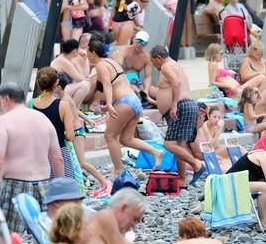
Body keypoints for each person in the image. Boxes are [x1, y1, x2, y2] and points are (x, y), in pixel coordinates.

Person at [0, 83, 64, 232]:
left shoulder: (5, 121)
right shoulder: (43, 119)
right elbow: (57, 158)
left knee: (8, 235)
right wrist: (60, 188)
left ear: (6, 99)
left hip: (15, 184)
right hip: (43, 184)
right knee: (44, 234)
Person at [88, 39, 162, 177]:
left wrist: (109, 104)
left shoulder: (101, 65)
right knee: (126, 139)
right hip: (134, 101)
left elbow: (107, 85)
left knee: (110, 136)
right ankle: (156, 152)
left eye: (88, 51)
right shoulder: (113, 62)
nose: (87, 55)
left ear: (93, 52)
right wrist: (109, 106)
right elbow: (118, 85)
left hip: (125, 102)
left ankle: (118, 170)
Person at [150, 45, 205, 187]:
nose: (153, 65)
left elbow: (176, 83)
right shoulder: (175, 65)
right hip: (187, 105)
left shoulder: (166, 66)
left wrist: (173, 104)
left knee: (169, 144)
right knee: (179, 146)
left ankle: (196, 165)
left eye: (153, 61)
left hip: (180, 107)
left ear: (159, 58)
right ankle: (182, 180)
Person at [56, 73, 112, 198]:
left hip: (76, 132)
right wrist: (88, 119)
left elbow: (70, 116)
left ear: (58, 86)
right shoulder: (66, 97)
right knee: (75, 161)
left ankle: (105, 182)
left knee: (81, 162)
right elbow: (75, 110)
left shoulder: (64, 99)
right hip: (77, 130)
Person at [32, 68, 83, 190]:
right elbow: (70, 136)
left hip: (38, 154)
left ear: (39, 84)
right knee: (63, 191)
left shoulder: (31, 104)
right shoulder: (63, 105)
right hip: (60, 151)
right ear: (56, 83)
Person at [112, 30, 155, 106]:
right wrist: (116, 57)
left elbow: (148, 77)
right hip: (123, 79)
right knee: (133, 86)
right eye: (138, 41)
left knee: (153, 91)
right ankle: (148, 99)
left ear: (146, 44)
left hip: (136, 81)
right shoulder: (125, 50)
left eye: (143, 43)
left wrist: (146, 90)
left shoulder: (146, 57)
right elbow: (117, 67)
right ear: (134, 39)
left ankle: (147, 97)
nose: (139, 44)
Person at [50, 39, 90, 109]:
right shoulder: (63, 61)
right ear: (74, 51)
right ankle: (72, 110)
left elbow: (84, 75)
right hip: (55, 92)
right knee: (84, 85)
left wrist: (85, 58)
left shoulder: (69, 59)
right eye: (78, 49)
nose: (80, 50)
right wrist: (88, 79)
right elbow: (80, 78)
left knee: (85, 83)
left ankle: (75, 110)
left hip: (61, 90)